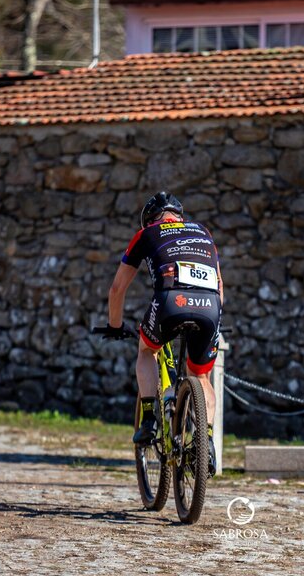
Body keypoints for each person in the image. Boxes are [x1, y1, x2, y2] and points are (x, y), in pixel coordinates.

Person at [104, 191, 223, 476]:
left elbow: (117, 289)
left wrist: (115, 326)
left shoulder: (146, 234)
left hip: (171, 302)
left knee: (147, 350)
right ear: (179, 217)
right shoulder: (203, 232)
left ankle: (148, 421)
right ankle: (205, 441)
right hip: (210, 306)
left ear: (149, 220)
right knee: (201, 376)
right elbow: (220, 287)